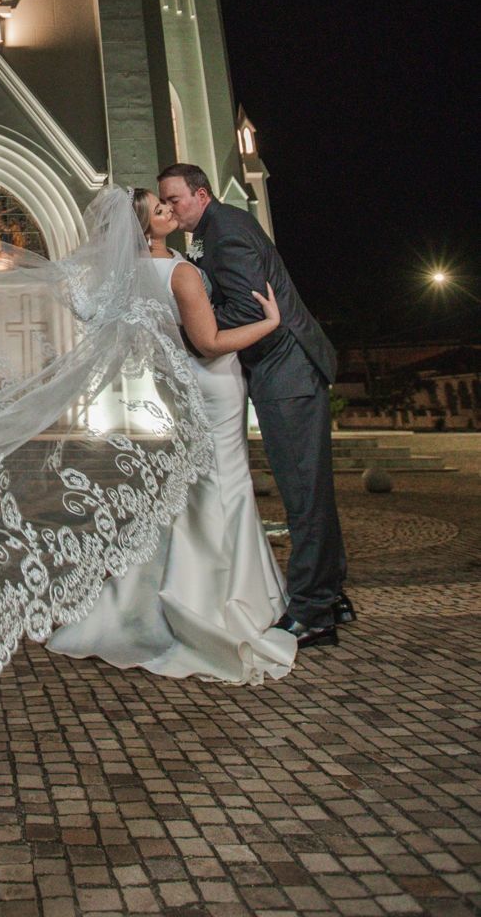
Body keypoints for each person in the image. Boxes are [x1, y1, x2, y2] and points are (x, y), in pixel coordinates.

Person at [48, 188, 298, 684]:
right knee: (225, 484)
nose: (169, 211)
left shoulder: (128, 275)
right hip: (212, 384)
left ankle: (187, 587)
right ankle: (223, 598)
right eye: (159, 210)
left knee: (200, 486)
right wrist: (270, 322)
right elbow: (209, 342)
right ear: (144, 228)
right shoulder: (180, 272)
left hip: (179, 388)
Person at [157, 163, 352, 648]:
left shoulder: (226, 232)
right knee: (309, 492)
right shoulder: (212, 229)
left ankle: (313, 613)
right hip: (277, 372)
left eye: (175, 198)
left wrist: (187, 325)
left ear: (201, 195)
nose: (171, 207)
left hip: (288, 373)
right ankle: (330, 595)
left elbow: (248, 308)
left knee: (303, 494)